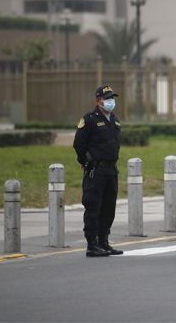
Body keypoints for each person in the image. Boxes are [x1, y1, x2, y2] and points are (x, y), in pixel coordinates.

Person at [73, 85, 123, 257]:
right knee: (94, 207)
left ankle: (104, 241)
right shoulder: (90, 119)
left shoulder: (115, 120)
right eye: (107, 98)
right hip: (96, 170)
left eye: (112, 98)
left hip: (111, 170)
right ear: (98, 101)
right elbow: (78, 144)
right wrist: (84, 161)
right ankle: (92, 244)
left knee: (109, 208)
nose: (111, 101)